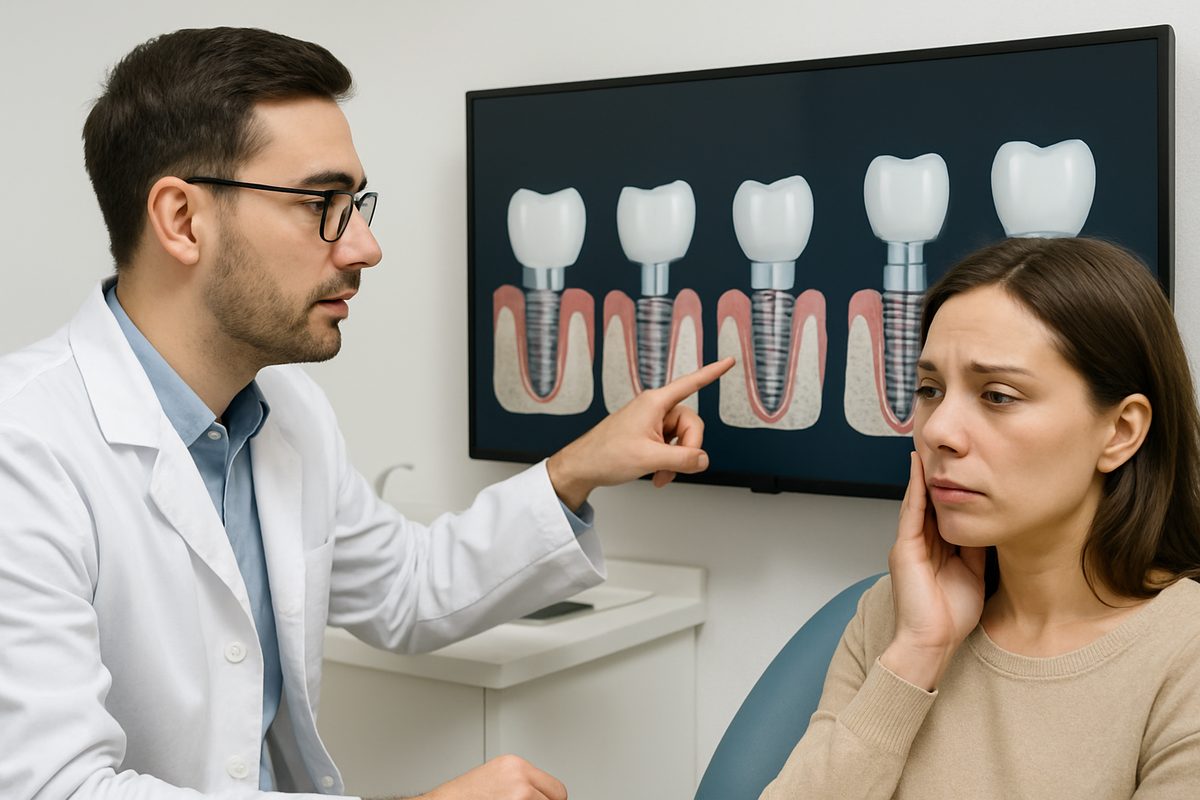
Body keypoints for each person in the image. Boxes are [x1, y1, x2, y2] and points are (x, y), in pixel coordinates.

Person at [0, 27, 733, 800]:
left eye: (357, 204)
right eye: (324, 204)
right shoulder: (24, 446)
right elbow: (56, 789)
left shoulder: (287, 414)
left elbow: (408, 589)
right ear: (182, 220)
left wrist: (577, 468)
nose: (366, 247)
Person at [761, 236, 1200, 799]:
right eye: (929, 389)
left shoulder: (1183, 656)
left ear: (1121, 432)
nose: (939, 430)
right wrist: (917, 655)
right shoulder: (892, 615)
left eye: (997, 395)